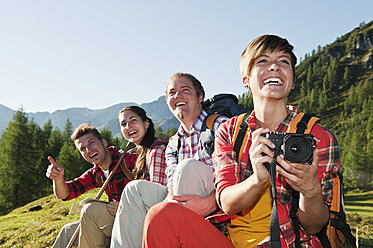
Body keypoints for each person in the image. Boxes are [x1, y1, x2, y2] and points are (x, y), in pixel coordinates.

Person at [213, 34, 340, 247]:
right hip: (234, 239)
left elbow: (314, 226)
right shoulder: (230, 131)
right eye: (262, 61)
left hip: (292, 240)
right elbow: (227, 203)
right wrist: (257, 180)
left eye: (284, 61)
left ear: (292, 81)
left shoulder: (318, 137)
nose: (274, 67)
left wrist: (309, 190)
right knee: (162, 217)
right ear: (246, 80)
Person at [111, 72, 232, 248]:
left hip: (219, 212)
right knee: (134, 189)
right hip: (184, 203)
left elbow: (239, 174)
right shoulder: (173, 144)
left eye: (185, 90)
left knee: (188, 167)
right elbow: (171, 190)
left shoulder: (220, 125)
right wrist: (162, 210)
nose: (178, 96)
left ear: (200, 96)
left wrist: (210, 202)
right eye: (172, 93)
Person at [46, 123, 136, 248]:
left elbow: (152, 194)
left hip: (134, 221)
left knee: (90, 209)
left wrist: (124, 209)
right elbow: (65, 193)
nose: (88, 150)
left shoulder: (129, 160)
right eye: (82, 149)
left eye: (91, 143)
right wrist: (58, 178)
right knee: (68, 230)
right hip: (116, 221)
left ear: (104, 142)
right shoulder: (96, 174)